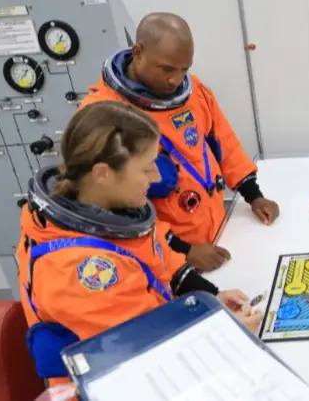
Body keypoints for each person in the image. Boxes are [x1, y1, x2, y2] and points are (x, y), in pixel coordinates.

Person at [16, 101, 263, 388]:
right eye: (146, 169)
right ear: (102, 174)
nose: (157, 177)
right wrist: (228, 338)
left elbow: (160, 261)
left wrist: (210, 299)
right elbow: (142, 364)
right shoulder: (81, 273)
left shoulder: (112, 216)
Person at [80, 12, 279, 273]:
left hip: (217, 235)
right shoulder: (102, 116)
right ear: (138, 53)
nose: (175, 80)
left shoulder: (194, 93)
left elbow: (225, 144)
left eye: (184, 69)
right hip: (163, 256)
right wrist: (184, 251)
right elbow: (115, 208)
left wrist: (254, 196)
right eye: (167, 69)